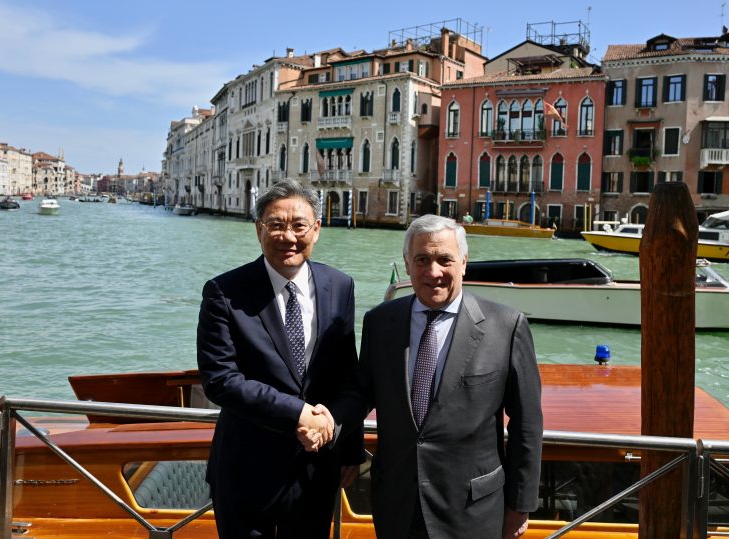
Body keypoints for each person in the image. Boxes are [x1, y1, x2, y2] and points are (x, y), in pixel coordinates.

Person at [304, 214, 543, 538]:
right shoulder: (380, 321)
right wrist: (330, 422)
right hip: (397, 501)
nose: (433, 272)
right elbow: (361, 392)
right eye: (422, 260)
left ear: (463, 262)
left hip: (473, 509)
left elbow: (527, 423)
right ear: (407, 263)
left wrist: (520, 505)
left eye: (444, 259)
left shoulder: (507, 326)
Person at [197, 179, 364, 539]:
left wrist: (347, 444)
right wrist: (299, 413)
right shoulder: (224, 291)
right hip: (246, 469)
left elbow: (347, 374)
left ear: (316, 230)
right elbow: (220, 380)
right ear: (259, 230)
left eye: (299, 225)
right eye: (275, 224)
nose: (288, 236)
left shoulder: (340, 285)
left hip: (316, 469)